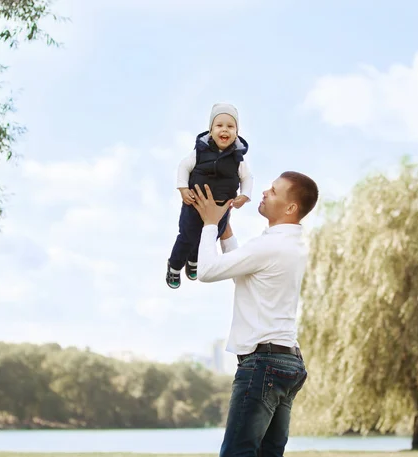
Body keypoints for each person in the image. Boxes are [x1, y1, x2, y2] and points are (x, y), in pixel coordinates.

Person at [190, 171, 319, 457]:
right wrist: (226, 234)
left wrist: (210, 224)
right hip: (286, 362)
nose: (264, 192)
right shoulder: (289, 244)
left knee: (238, 452)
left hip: (264, 365)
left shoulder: (270, 245)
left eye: (274, 191)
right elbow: (245, 272)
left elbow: (208, 272)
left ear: (290, 208)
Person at [166, 103, 253, 289]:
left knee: (209, 238)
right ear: (211, 130)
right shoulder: (200, 151)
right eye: (219, 125)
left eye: (230, 126)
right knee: (187, 237)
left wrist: (244, 195)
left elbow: (247, 178)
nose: (225, 130)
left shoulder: (238, 158)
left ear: (236, 132)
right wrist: (183, 189)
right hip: (194, 205)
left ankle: (193, 261)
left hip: (220, 210)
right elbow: (184, 166)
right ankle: (174, 266)